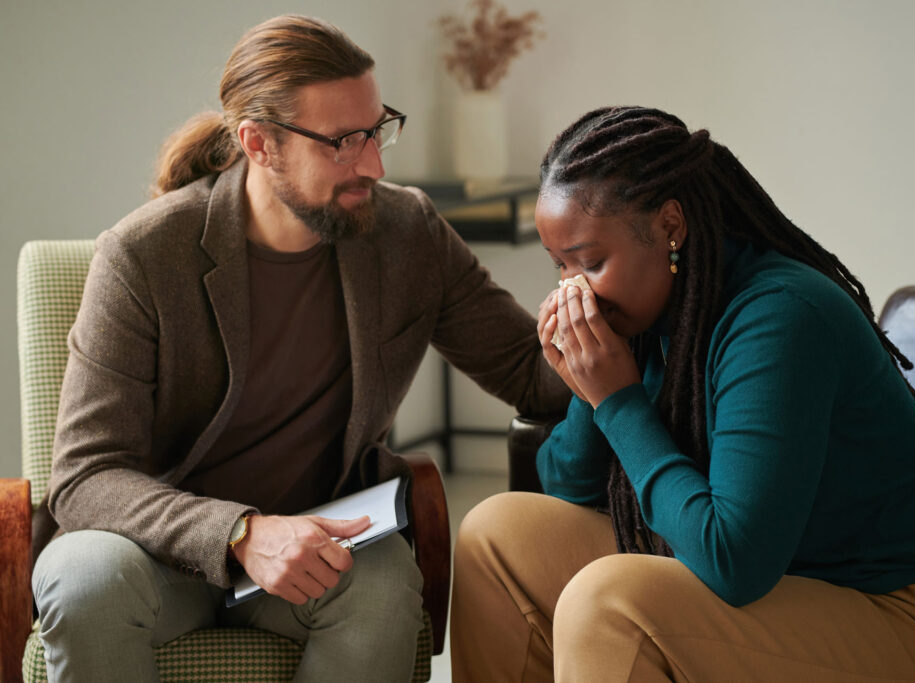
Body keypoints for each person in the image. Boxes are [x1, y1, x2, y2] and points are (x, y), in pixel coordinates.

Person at [30, 14, 568, 683]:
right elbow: (85, 476)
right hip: (151, 559)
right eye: (342, 142)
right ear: (260, 144)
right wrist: (242, 533)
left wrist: (602, 303)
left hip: (320, 549)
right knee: (83, 581)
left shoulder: (408, 235)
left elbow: (529, 371)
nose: (372, 163)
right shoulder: (143, 256)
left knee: (382, 584)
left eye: (376, 130)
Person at [451, 106, 915, 681]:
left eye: (591, 262)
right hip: (795, 588)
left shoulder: (780, 318)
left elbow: (734, 561)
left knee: (610, 601)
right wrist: (590, 389)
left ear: (670, 226)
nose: (572, 289)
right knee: (495, 536)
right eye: (560, 266)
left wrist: (619, 402)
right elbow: (566, 484)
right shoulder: (646, 316)